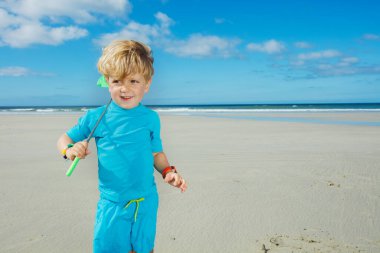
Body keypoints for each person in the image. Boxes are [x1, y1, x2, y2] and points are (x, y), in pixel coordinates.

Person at [57, 40, 187, 253]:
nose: (125, 89)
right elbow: (64, 138)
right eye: (117, 81)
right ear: (106, 81)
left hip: (146, 201)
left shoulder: (151, 118)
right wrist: (69, 150)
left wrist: (167, 171)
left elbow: (156, 153)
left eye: (134, 81)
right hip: (113, 204)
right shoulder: (97, 117)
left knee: (144, 249)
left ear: (147, 83)